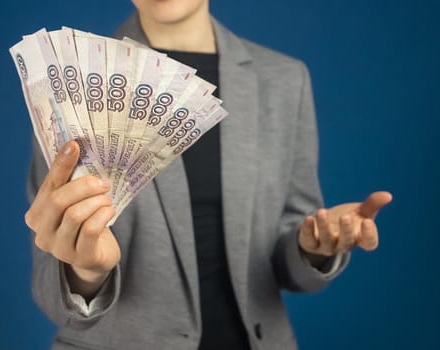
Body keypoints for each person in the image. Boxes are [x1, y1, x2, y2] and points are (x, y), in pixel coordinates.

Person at [24, 0, 393, 349]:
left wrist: (312, 247)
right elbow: (50, 287)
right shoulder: (75, 83)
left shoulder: (284, 80)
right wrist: (85, 272)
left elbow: (288, 254)